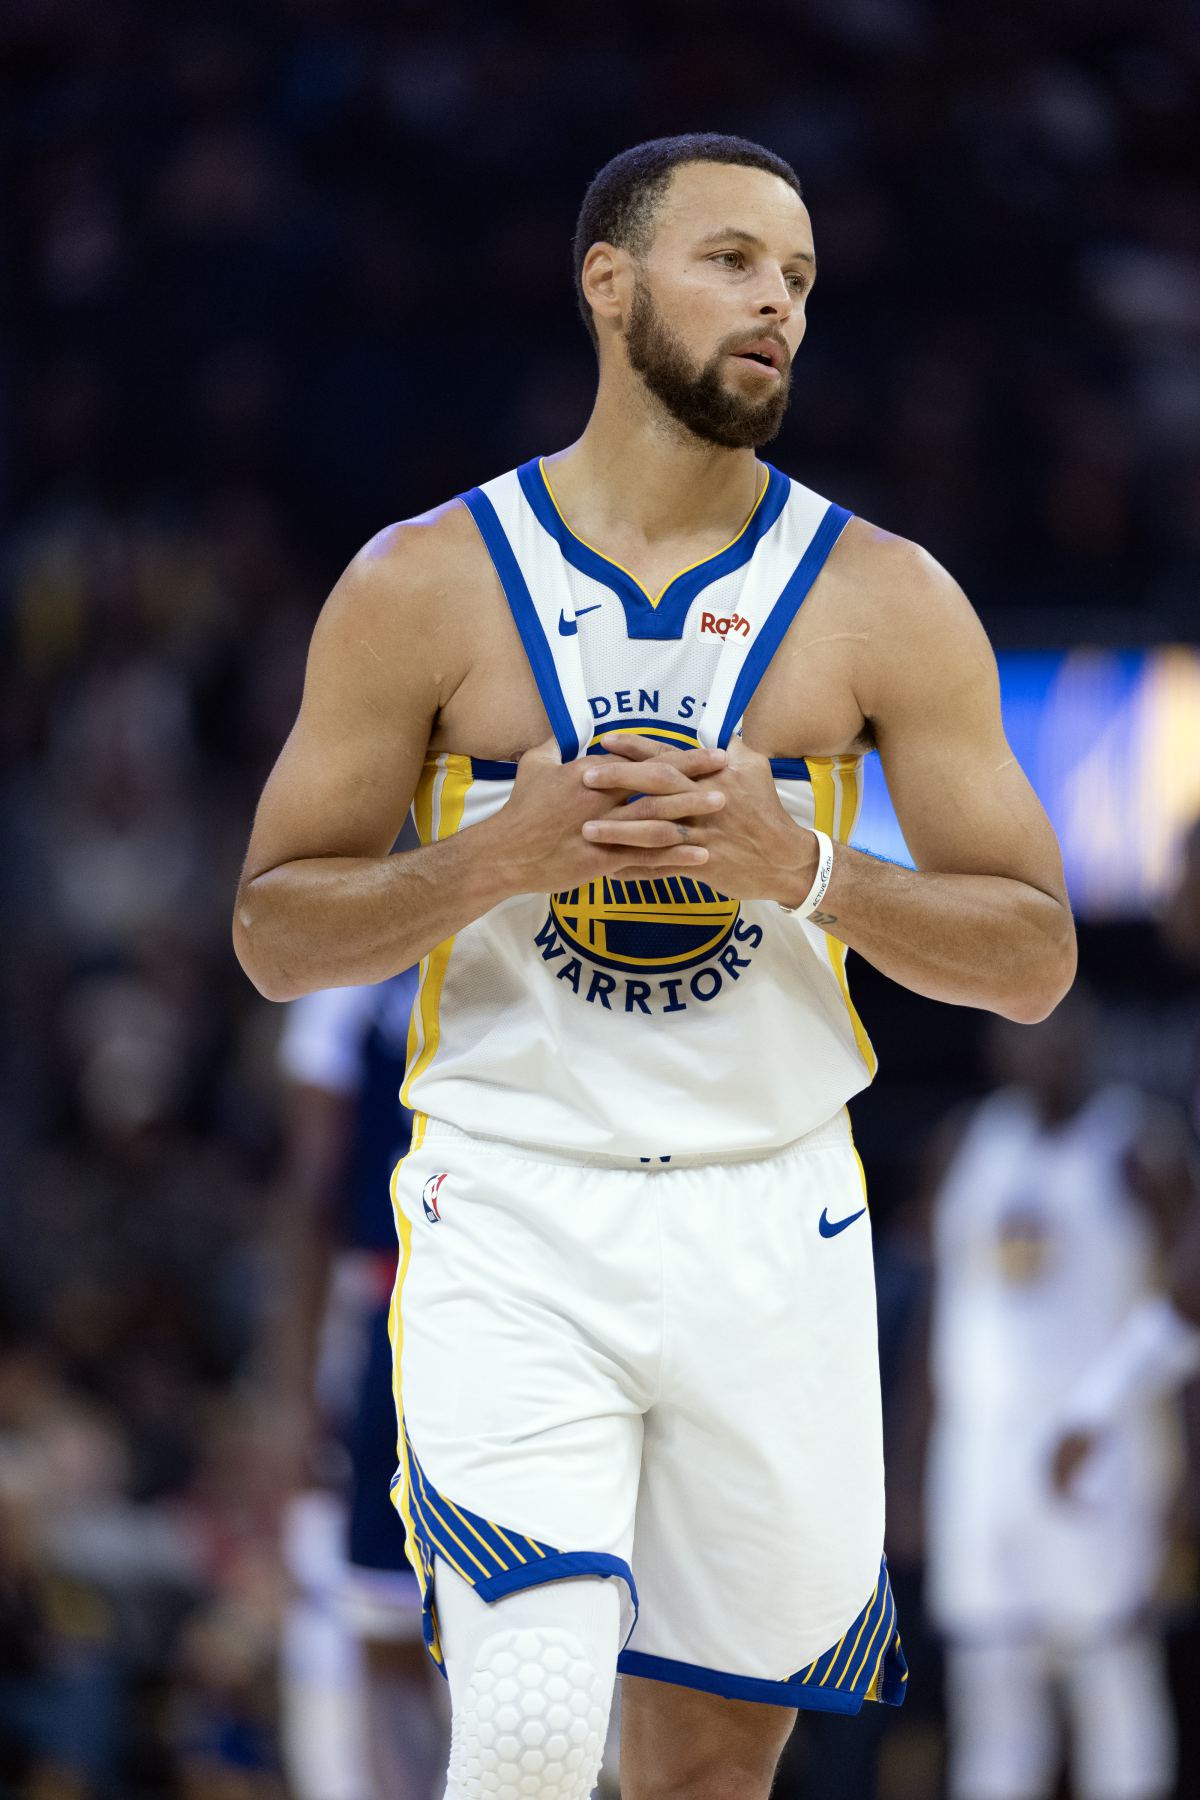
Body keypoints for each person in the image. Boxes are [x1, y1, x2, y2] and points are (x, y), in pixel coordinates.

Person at [232, 133, 1075, 1800]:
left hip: (776, 1220)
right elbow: (273, 930)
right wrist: (498, 855)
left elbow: (1036, 957)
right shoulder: (423, 582)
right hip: (516, 1203)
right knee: (532, 1734)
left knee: (703, 1772)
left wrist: (807, 869)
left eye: (800, 279)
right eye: (733, 261)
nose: (778, 305)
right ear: (607, 285)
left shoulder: (888, 598)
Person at [924, 994, 1198, 1800]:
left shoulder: (1138, 1148)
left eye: (1058, 1034)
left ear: (1090, 1041)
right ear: (994, 1043)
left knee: (1112, 1673)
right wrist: (902, 1464)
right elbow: (935, 1318)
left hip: (1100, 1448)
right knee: (990, 1684)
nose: (1043, 1051)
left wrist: (1188, 1468)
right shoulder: (964, 1144)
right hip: (980, 1454)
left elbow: (1185, 1316)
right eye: (1024, 1035)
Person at [267, 970, 447, 1800]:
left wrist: (293, 1397)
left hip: (435, 1305)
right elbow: (312, 1194)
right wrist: (293, 1396)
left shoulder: (356, 979)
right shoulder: (351, 982)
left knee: (406, 1624)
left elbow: (310, 1196)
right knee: (388, 1609)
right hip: (402, 1304)